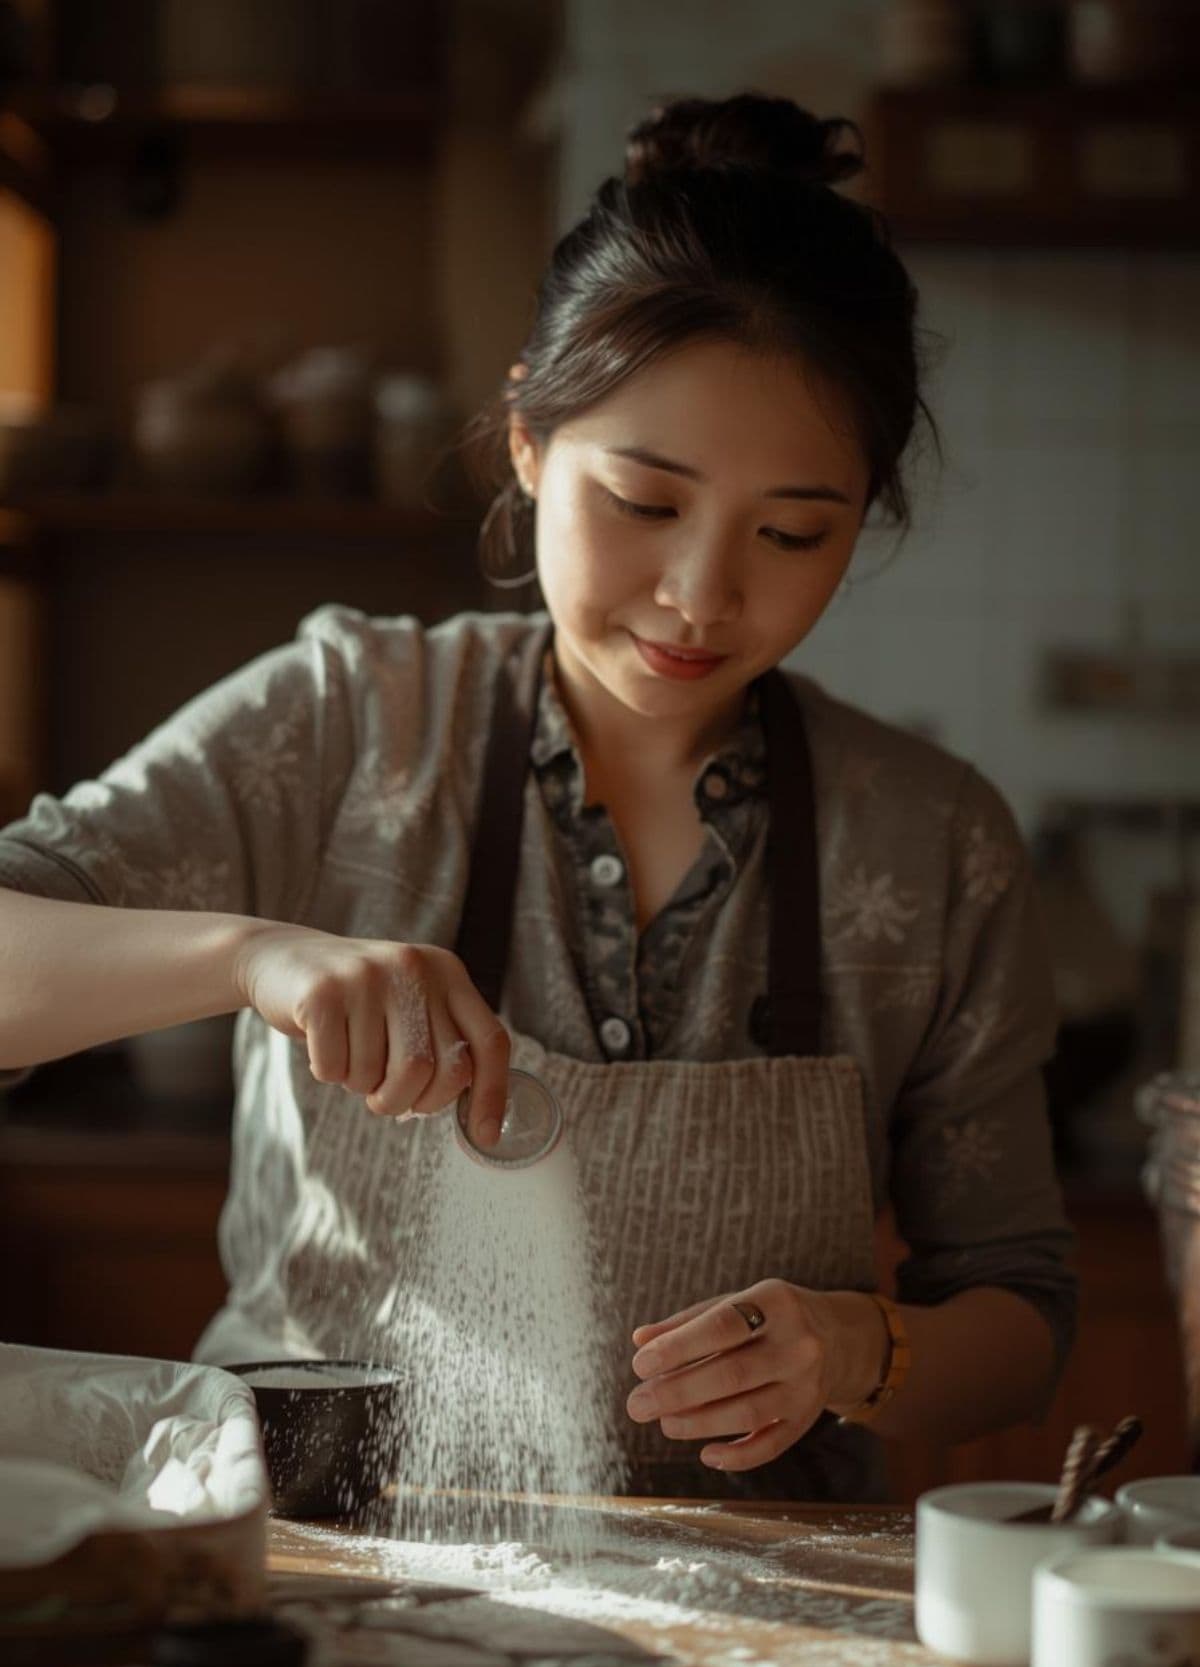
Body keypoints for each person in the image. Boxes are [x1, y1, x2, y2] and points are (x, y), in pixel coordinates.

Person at [0, 93, 1074, 1501]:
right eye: (643, 501)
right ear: (526, 439)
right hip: (332, 1563)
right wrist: (253, 957)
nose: (702, 591)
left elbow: (1019, 1308)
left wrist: (864, 1350)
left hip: (771, 1616)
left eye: (793, 531)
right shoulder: (347, 721)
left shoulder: (932, 840)